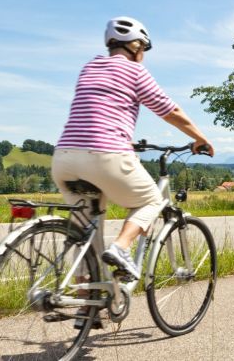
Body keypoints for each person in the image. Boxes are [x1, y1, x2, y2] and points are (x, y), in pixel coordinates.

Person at [52, 16, 215, 281]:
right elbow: (170, 110)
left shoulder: (90, 67)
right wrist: (200, 138)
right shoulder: (135, 71)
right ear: (136, 46)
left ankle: (86, 304)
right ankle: (121, 248)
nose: (144, 56)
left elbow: (97, 109)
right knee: (152, 200)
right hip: (104, 154)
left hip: (64, 158)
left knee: (86, 235)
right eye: (144, 50)